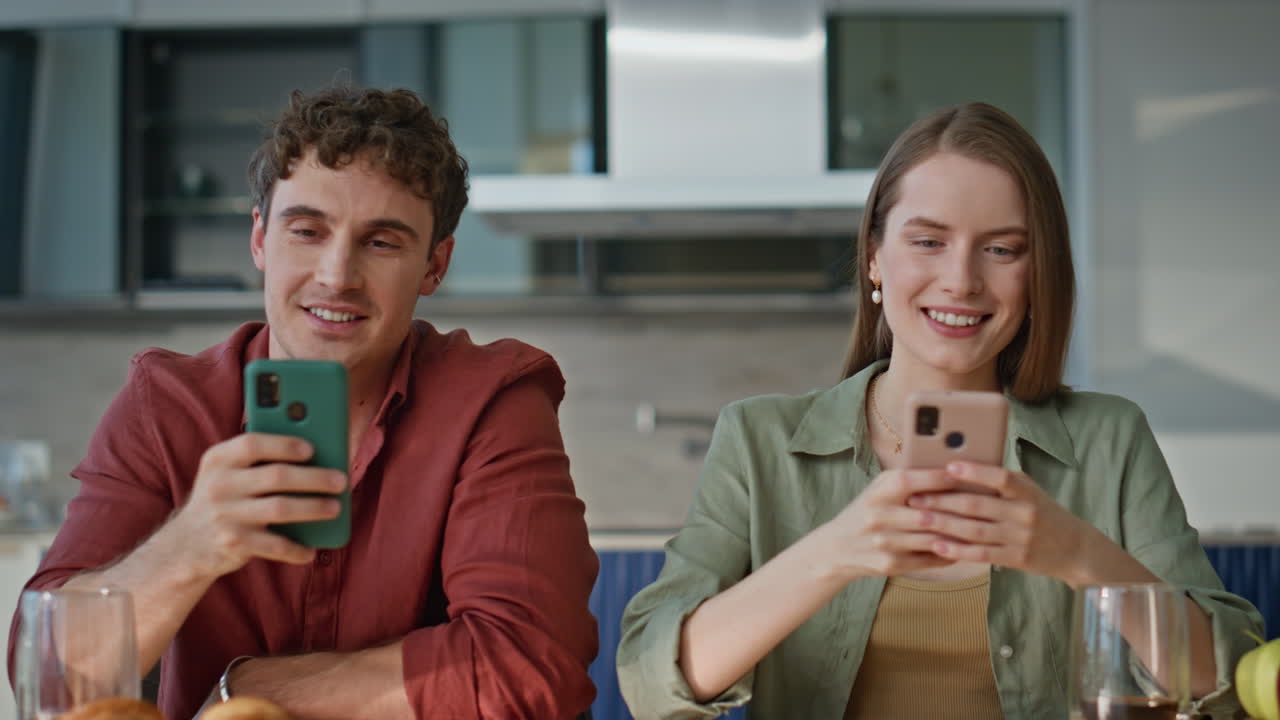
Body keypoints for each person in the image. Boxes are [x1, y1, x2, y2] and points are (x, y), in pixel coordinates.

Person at [616, 102, 1263, 720]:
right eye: (928, 241)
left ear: (1039, 274)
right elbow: (651, 683)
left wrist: (1077, 553)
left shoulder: (1109, 438)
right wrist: (835, 552)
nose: (961, 280)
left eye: (1003, 249)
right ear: (874, 256)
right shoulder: (758, 441)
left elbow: (1231, 686)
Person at [8, 86, 598, 720]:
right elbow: (50, 672)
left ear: (435, 266)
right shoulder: (167, 406)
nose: (337, 274)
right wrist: (190, 545)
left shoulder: (491, 399)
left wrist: (255, 691)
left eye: (382, 242)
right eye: (307, 231)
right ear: (260, 238)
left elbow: (532, 666)